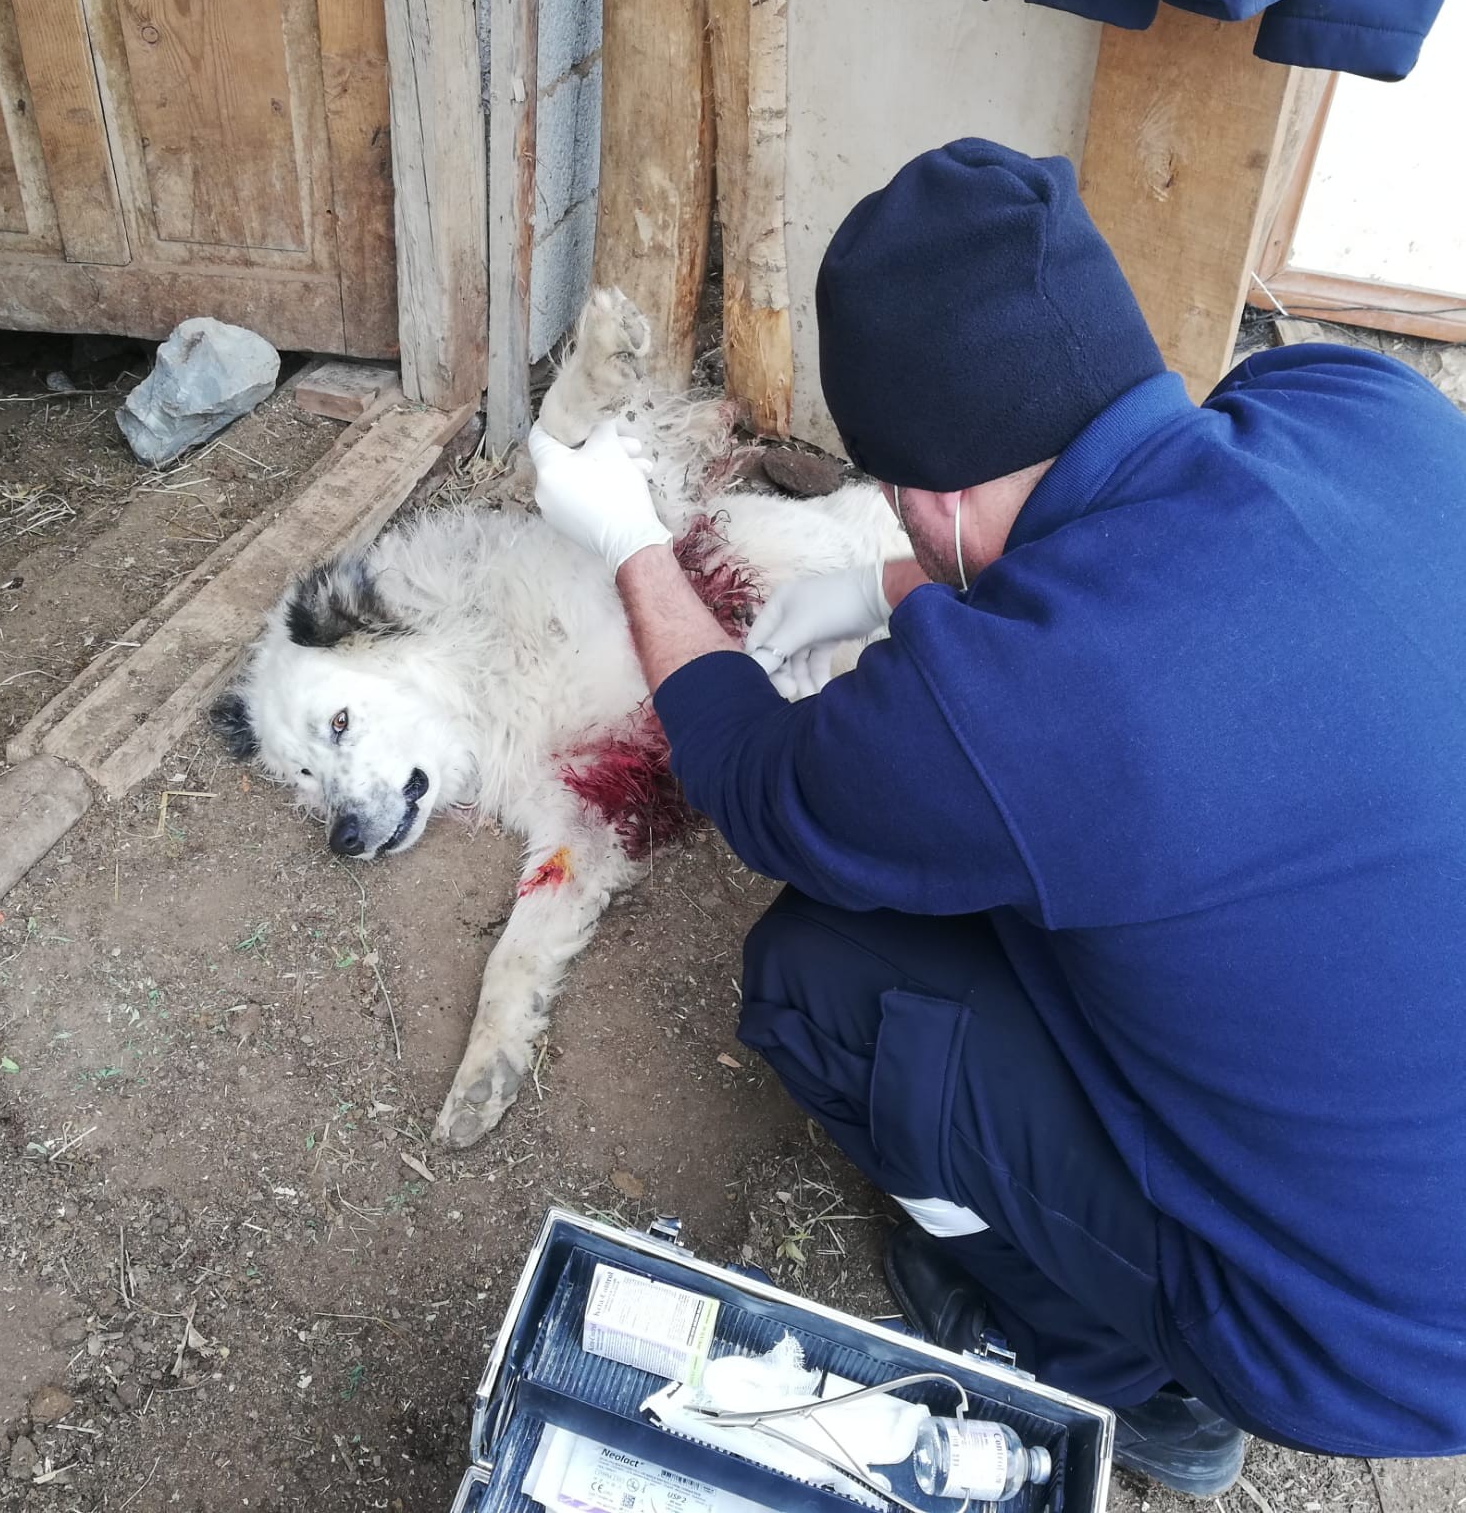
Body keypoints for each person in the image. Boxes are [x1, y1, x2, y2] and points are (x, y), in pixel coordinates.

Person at [524, 138, 1466, 1496]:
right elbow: (1131, 547)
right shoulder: (1367, 402)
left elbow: (752, 777)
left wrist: (629, 544)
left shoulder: (1023, 706)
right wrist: (899, 582)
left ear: (932, 495)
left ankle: (1138, 1385)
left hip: (1363, 1341)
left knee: (818, 974)